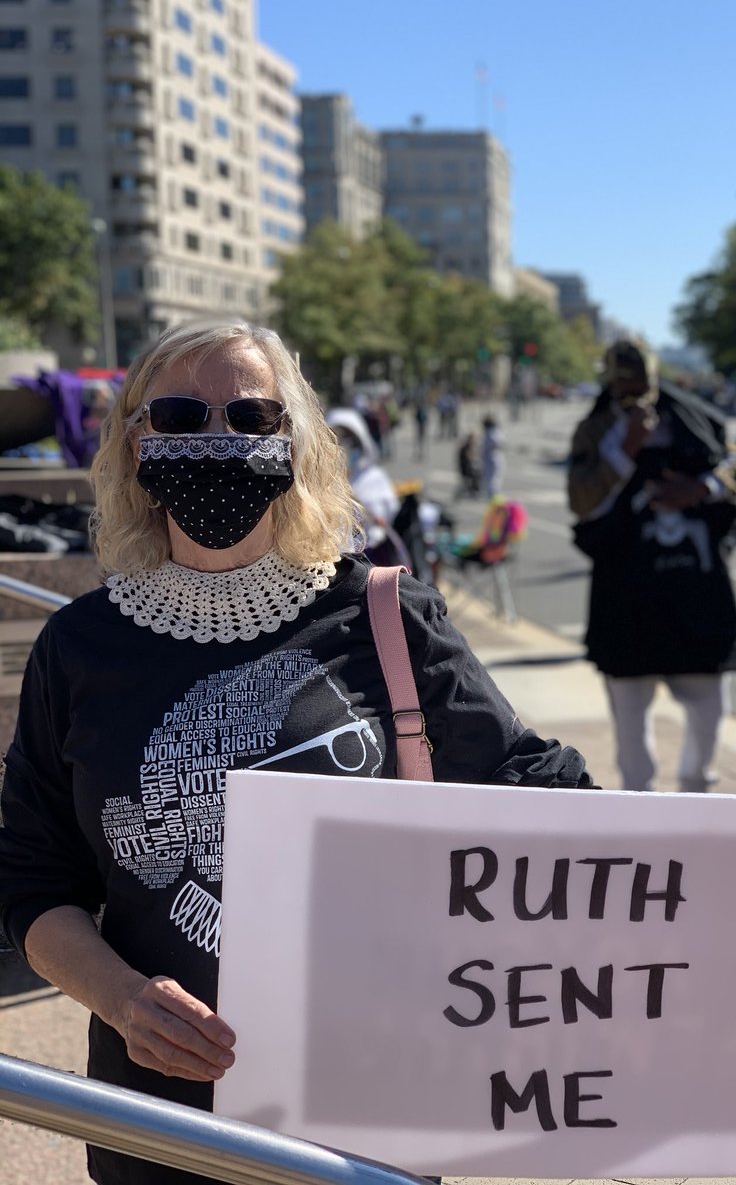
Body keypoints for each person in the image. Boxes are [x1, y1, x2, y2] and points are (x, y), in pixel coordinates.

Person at [0, 320, 595, 1185]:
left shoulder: (389, 617)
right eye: (179, 413)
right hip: (161, 1122)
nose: (216, 439)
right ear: (135, 440)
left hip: (368, 1106)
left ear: (296, 441)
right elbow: (31, 881)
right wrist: (121, 998)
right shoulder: (77, 647)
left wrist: (731, 965)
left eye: (250, 417)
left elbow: (540, 797)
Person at [568, 340, 736, 794]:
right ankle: (641, 804)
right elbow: (580, 500)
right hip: (626, 594)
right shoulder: (595, 431)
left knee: (709, 708)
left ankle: (696, 787)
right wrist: (625, 450)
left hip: (695, 588)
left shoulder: (693, 418)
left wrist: (703, 487)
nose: (634, 392)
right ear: (610, 383)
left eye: (642, 383)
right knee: (631, 718)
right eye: (624, 383)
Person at [325, 406, 404, 565]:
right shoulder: (319, 483)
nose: (344, 447)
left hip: (372, 561)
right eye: (337, 440)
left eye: (350, 440)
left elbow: (387, 518)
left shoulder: (374, 479)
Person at [481, 413, 505, 498]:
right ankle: (493, 496)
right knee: (494, 478)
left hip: (490, 456)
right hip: (495, 456)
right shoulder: (494, 432)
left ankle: (493, 496)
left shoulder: (490, 433)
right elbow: (499, 442)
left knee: (491, 478)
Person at [456, 431, 481, 498]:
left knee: (477, 474)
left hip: (467, 468)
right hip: (466, 469)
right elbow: (470, 458)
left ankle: (473, 490)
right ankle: (474, 490)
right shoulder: (466, 447)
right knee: (476, 475)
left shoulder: (467, 446)